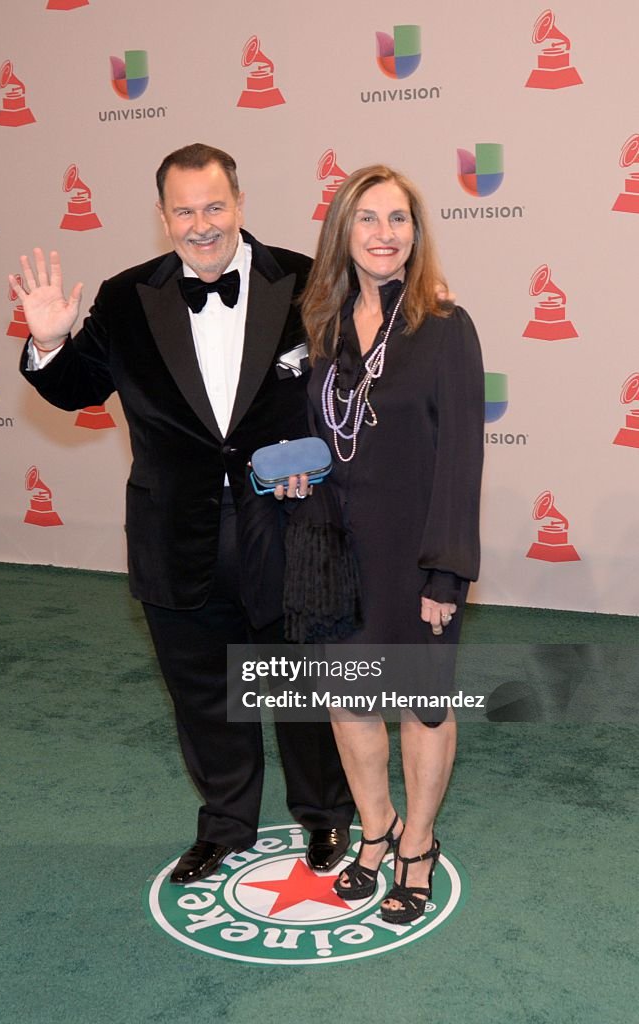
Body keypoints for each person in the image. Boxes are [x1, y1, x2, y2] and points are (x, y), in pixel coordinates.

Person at [11, 143, 354, 884]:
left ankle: (325, 816)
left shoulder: (305, 281)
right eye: (185, 210)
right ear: (163, 215)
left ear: (239, 203)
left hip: (289, 525)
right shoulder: (128, 296)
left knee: (301, 684)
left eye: (215, 206)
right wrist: (47, 339)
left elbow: (349, 393)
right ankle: (227, 825)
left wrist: (311, 465)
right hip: (176, 530)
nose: (202, 225)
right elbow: (75, 390)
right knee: (203, 690)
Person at [283, 165, 483, 922]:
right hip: (336, 550)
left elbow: (462, 456)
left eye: (398, 219)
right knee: (349, 699)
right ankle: (375, 830)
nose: (384, 234)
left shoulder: (444, 326)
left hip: (418, 552)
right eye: (367, 219)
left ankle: (418, 846)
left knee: (423, 704)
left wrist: (448, 572)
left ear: (415, 233)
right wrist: (299, 479)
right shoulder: (322, 326)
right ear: (342, 231)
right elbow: (319, 437)